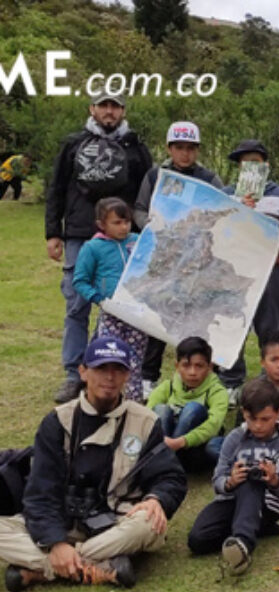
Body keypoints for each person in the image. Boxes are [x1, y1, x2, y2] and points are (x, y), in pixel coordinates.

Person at [0, 336, 186, 592]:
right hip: (62, 522)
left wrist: (157, 499)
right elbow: (41, 491)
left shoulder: (145, 421)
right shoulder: (57, 421)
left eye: (118, 369)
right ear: (83, 371)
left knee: (149, 523)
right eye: (101, 368)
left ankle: (42, 570)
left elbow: (170, 476)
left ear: (127, 376)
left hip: (116, 523)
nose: (110, 377)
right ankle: (101, 567)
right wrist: (56, 543)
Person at [45, 90, 153, 403]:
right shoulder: (73, 143)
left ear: (122, 111)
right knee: (77, 304)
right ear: (92, 108)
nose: (109, 111)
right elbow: (57, 188)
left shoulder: (135, 146)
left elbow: (149, 189)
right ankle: (73, 373)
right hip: (80, 233)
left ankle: (119, 371)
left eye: (115, 106)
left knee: (125, 308)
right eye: (103, 105)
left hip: (125, 240)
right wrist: (53, 232)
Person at [132, 121, 224, 394]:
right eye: (179, 147)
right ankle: (148, 377)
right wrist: (150, 224)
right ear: (169, 148)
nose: (185, 154)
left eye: (191, 148)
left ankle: (206, 376)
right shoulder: (154, 176)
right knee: (158, 312)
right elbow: (139, 209)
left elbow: (222, 209)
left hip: (198, 260)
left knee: (200, 316)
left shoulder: (209, 178)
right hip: (164, 257)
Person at [187, 378, 279, 575]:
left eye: (265, 419)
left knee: (252, 480)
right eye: (251, 419)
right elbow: (217, 481)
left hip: (269, 502)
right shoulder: (234, 438)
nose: (257, 426)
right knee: (197, 540)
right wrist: (231, 481)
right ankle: (258, 528)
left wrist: (274, 481)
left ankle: (244, 544)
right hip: (231, 499)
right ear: (243, 414)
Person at [218, 139, 279, 388]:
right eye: (245, 163)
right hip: (234, 270)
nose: (250, 167)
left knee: (271, 327)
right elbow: (217, 232)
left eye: (256, 163)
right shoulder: (227, 195)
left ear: (266, 165)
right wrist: (240, 211)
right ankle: (231, 381)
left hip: (271, 271)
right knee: (230, 325)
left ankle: (270, 380)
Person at [71, 197, 146, 403]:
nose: (123, 227)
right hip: (111, 314)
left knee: (134, 360)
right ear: (101, 225)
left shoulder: (138, 241)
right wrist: (100, 299)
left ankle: (133, 404)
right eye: (117, 223)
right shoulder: (92, 247)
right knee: (108, 357)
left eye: (127, 221)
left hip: (137, 314)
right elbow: (80, 280)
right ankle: (101, 399)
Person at [145, 336, 229, 469]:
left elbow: (213, 426)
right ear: (177, 366)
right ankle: (167, 461)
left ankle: (165, 461)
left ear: (210, 367)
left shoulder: (218, 391)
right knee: (160, 409)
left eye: (199, 366)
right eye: (186, 365)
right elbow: (147, 414)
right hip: (166, 443)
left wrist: (181, 442)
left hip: (194, 449)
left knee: (193, 409)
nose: (192, 372)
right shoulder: (168, 386)